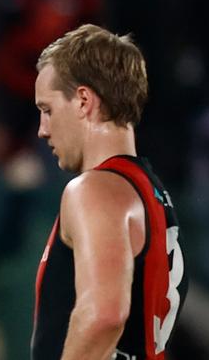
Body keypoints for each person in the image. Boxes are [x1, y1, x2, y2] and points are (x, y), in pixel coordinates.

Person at [31, 24, 188, 360]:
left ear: (84, 101)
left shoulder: (93, 190)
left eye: (47, 110)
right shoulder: (153, 194)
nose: (42, 130)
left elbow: (103, 316)